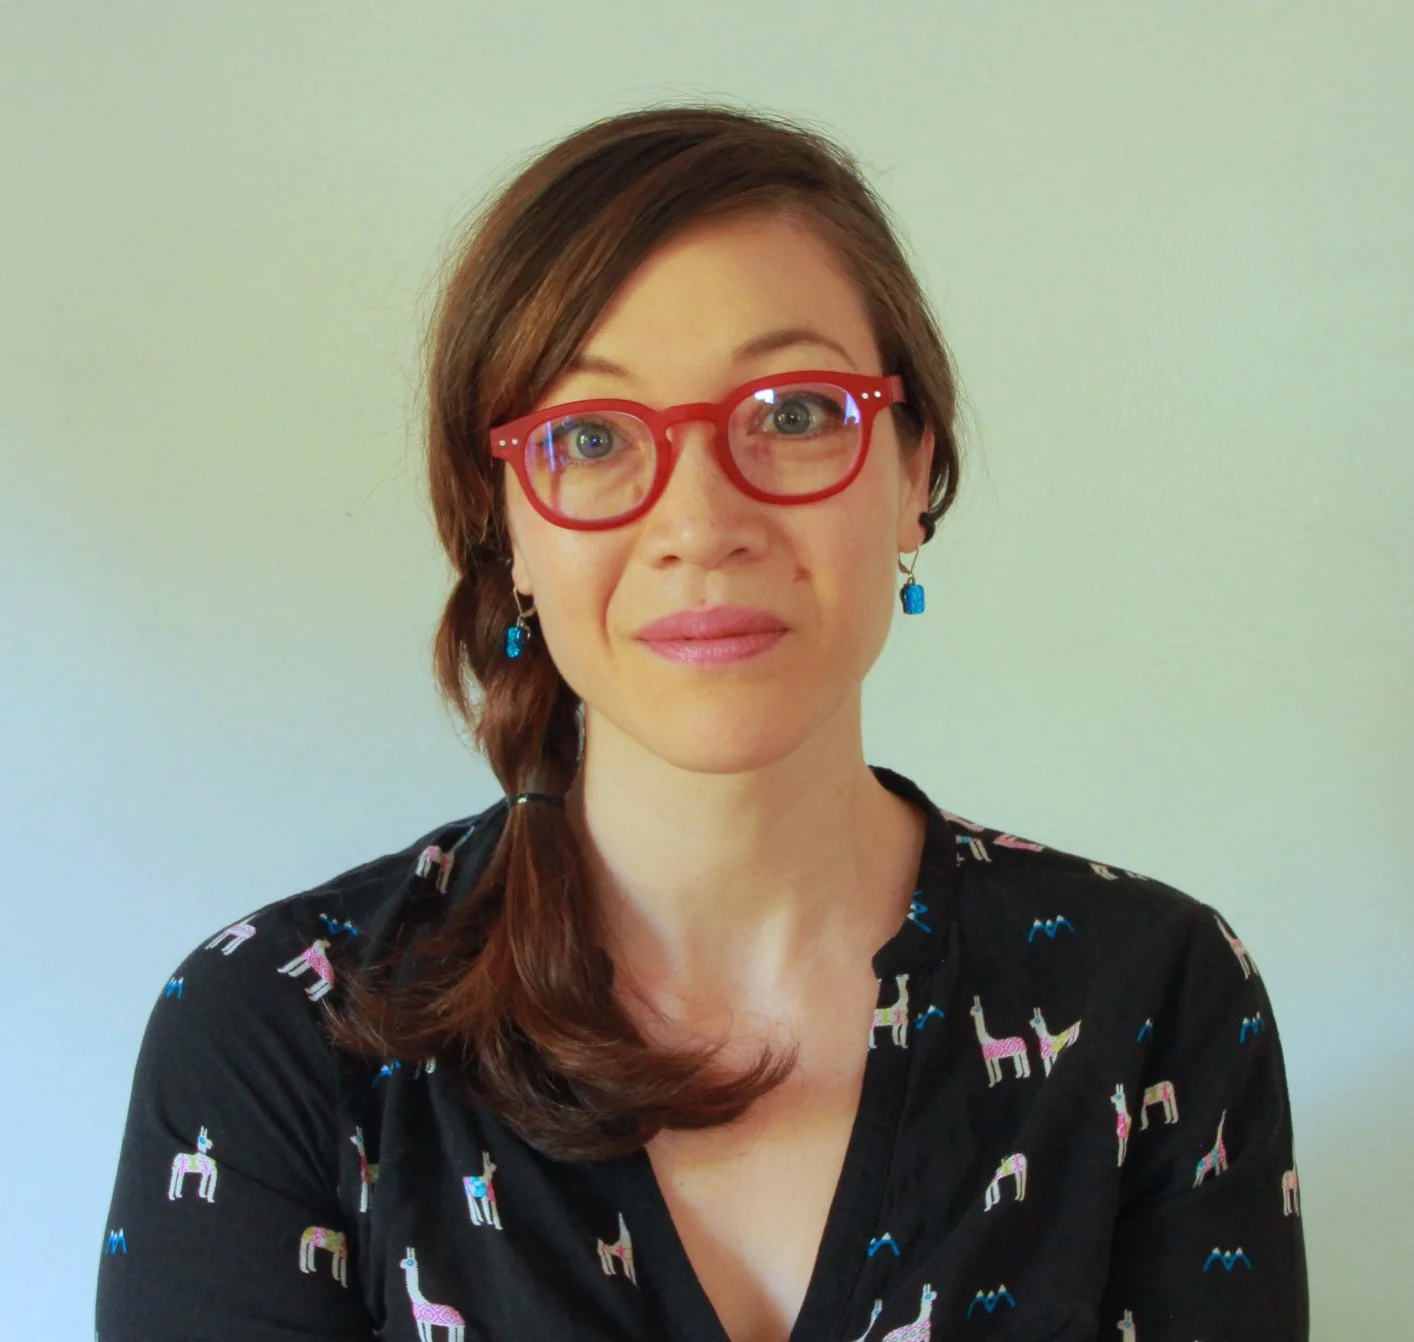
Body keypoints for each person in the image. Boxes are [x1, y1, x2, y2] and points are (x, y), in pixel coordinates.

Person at [96, 103, 1308, 1342]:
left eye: (792, 414)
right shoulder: (276, 1035)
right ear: (505, 523)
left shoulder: (1151, 997)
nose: (699, 521)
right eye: (590, 435)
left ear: (912, 473)